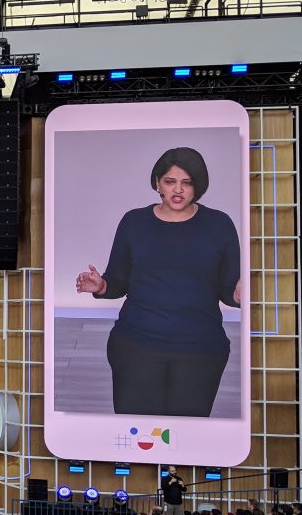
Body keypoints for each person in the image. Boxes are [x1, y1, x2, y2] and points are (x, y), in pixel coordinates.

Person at [75, 147, 242, 417]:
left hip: (201, 350)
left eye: (187, 182)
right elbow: (118, 281)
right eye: (170, 181)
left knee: (186, 436)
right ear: (157, 183)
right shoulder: (134, 222)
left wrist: (239, 294)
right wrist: (101, 286)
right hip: (136, 346)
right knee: (138, 436)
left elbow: (228, 289)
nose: (178, 190)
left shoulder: (220, 225)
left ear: (198, 186)